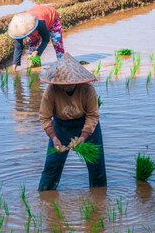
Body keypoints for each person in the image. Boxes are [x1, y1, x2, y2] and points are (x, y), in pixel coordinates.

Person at [38, 53, 107, 191]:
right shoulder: (51, 91)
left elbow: (93, 115)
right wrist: (54, 138)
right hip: (60, 128)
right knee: (52, 165)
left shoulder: (88, 90)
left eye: (70, 83)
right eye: (63, 84)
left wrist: (83, 136)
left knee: (96, 164)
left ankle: (99, 199)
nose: (66, 87)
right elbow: (45, 117)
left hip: (87, 127)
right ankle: (45, 196)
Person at [8, 4, 65, 72]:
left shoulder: (38, 23)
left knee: (57, 42)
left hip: (52, 19)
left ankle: (63, 65)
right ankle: (36, 73)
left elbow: (46, 39)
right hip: (35, 25)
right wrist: (15, 65)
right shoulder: (17, 30)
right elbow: (18, 47)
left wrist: (39, 51)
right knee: (32, 55)